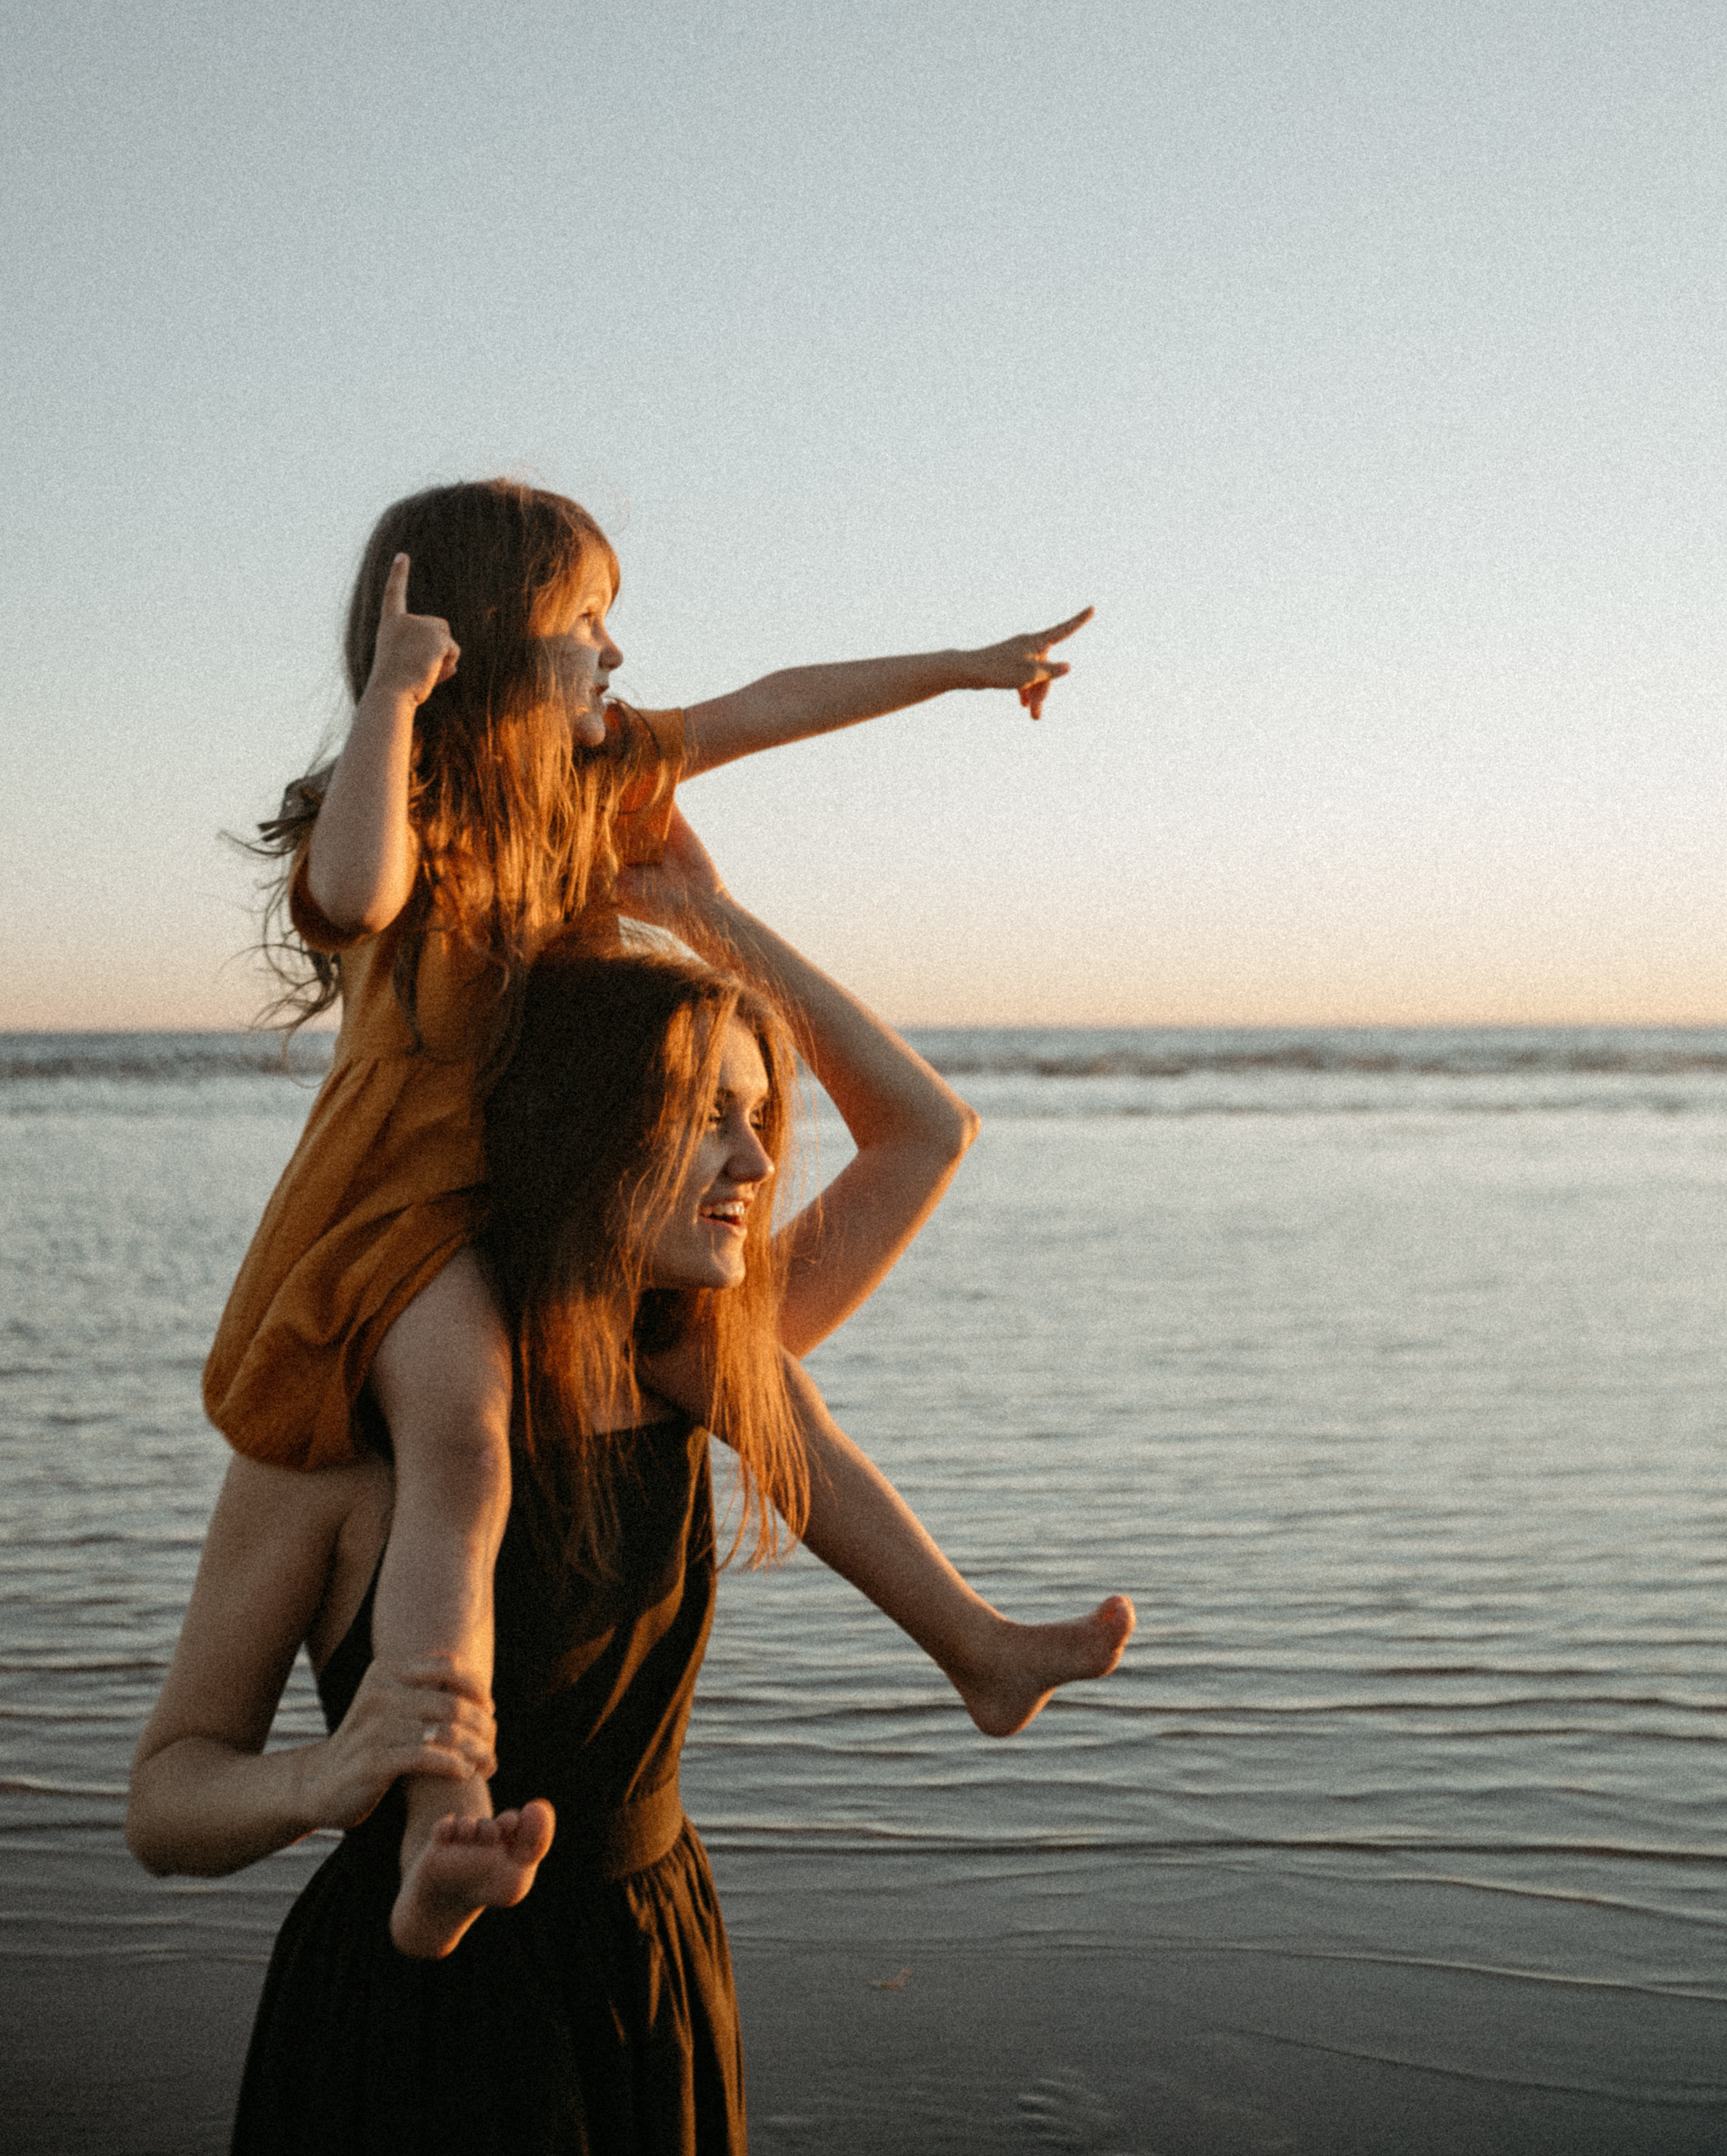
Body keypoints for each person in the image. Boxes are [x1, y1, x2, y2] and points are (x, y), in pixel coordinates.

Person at [203, 477, 1093, 1951]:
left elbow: (773, 702)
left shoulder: (594, 789)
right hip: (398, 1229)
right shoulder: (407, 801)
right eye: (583, 625)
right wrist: (392, 704)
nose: (614, 656)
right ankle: (440, 1820)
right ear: (480, 641)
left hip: (522, 1207)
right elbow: (353, 900)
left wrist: (961, 667)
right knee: (468, 1454)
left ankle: (975, 1646)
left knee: (760, 1388)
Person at [130, 853, 1137, 2153]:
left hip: (649, 1968)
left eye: (761, 1118)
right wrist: (321, 1780)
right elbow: (165, 1805)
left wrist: (706, 919)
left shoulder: (695, 1369)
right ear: (588, 1129)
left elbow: (928, 1131)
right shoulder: (351, 1437)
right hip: (416, 2018)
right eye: (710, 1116)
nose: (756, 1160)